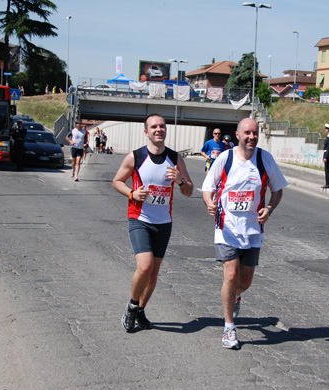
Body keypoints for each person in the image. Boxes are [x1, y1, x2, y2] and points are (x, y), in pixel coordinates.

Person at [202, 117, 288, 349]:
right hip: (226, 228)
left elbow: (277, 189)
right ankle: (229, 327)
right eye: (247, 133)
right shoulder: (225, 158)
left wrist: (269, 208)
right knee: (230, 276)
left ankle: (235, 296)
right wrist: (210, 203)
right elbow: (208, 188)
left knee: (245, 281)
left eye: (255, 133)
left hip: (252, 231)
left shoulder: (264, 159)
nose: (252, 137)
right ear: (238, 135)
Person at [112, 114, 194, 332]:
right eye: (154, 127)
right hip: (140, 219)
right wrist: (131, 193)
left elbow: (189, 191)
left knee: (154, 273)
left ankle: (140, 310)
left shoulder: (176, 159)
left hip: (164, 222)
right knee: (145, 266)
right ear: (146, 132)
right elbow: (116, 181)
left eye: (162, 126)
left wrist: (180, 181)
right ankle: (131, 306)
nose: (159, 129)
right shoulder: (136, 157)